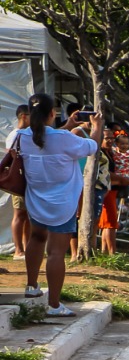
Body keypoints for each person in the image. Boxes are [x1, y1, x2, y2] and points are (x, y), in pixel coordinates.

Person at [16, 94, 103, 316]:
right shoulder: (65, 139)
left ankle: (31, 286)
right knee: (56, 252)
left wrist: (66, 126)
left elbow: (43, 138)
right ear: (52, 113)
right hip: (63, 202)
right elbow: (92, 146)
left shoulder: (19, 137)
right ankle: (54, 305)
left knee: (36, 238)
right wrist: (97, 126)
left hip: (35, 199)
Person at [101, 124, 129, 255]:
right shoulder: (108, 153)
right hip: (109, 188)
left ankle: (105, 250)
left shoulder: (115, 154)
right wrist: (121, 179)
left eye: (111, 138)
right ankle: (111, 252)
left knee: (108, 222)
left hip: (117, 187)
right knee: (110, 222)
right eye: (107, 138)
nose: (109, 141)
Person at [7, 104, 30, 261]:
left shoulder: (28, 133)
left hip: (30, 179)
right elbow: (13, 156)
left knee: (29, 215)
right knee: (19, 213)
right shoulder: (15, 134)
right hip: (20, 178)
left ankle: (27, 248)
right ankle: (18, 250)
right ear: (23, 116)